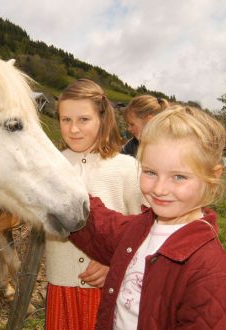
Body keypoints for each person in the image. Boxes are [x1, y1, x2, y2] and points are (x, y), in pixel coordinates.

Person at [70, 105, 226, 330]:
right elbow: (101, 226)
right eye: (150, 172)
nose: (159, 188)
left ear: (212, 177)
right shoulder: (140, 228)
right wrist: (65, 192)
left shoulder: (209, 271)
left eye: (178, 176)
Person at [45, 79, 146, 330]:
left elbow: (144, 230)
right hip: (62, 288)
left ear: (102, 118)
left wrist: (114, 262)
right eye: (65, 119)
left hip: (111, 288)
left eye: (83, 119)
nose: (73, 129)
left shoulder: (127, 168)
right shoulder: (49, 167)